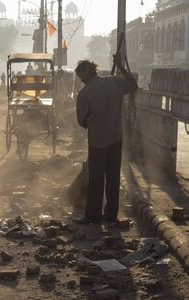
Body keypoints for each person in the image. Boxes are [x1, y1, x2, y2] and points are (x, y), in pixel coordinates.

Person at [75, 58, 138, 224]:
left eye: (81, 78)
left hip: (97, 141)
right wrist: (121, 66)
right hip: (116, 138)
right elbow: (133, 84)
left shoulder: (85, 93)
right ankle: (111, 215)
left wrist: (92, 118)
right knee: (113, 177)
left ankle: (93, 215)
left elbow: (82, 122)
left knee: (96, 178)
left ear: (84, 76)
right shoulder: (114, 82)